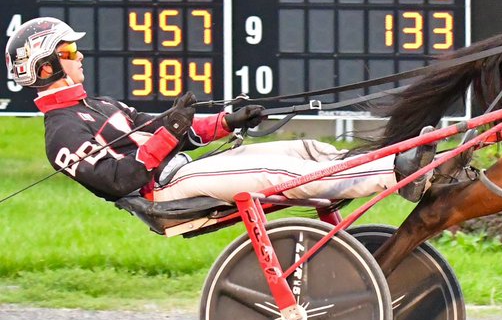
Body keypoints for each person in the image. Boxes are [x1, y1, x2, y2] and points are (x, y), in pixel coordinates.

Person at [5, 17, 434, 205]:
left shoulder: (99, 104)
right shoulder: (61, 133)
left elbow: (170, 130)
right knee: (281, 177)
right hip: (164, 190)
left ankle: (393, 161)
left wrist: (227, 121)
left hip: (186, 169)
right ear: (45, 68)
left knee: (303, 150)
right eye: (69, 50)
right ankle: (398, 173)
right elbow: (118, 181)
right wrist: (169, 135)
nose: (80, 56)